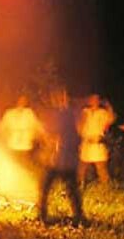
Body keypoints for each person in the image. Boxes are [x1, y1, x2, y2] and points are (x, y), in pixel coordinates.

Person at [37, 88, 87, 226]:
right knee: (63, 188)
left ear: (63, 98)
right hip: (63, 159)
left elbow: (53, 131)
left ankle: (43, 214)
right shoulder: (71, 113)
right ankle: (78, 215)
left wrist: (44, 131)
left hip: (62, 160)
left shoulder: (65, 114)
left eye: (59, 97)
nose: (56, 99)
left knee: (49, 187)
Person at [77, 94, 116, 187]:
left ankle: (106, 187)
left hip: (97, 142)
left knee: (101, 167)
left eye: (96, 100)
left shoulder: (102, 113)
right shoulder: (85, 112)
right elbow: (79, 123)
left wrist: (108, 106)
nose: (94, 101)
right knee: (82, 167)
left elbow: (111, 119)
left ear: (99, 101)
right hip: (87, 142)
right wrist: (81, 133)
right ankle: (79, 185)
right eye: (92, 99)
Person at [0, 95, 44, 170]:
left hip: (26, 145)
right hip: (13, 145)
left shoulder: (29, 113)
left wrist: (42, 134)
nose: (22, 102)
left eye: (24, 101)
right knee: (14, 167)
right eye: (20, 100)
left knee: (25, 167)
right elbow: (3, 128)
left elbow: (37, 126)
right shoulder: (9, 113)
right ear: (16, 101)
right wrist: (5, 137)